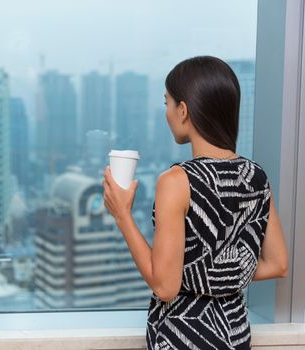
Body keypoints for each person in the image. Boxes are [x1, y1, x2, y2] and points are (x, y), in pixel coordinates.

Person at [103, 55, 289, 350]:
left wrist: (122, 214)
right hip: (235, 334)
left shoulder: (177, 181)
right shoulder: (257, 177)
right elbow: (278, 264)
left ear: (183, 110)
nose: (165, 112)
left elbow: (165, 287)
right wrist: (218, 274)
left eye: (167, 103)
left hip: (182, 337)